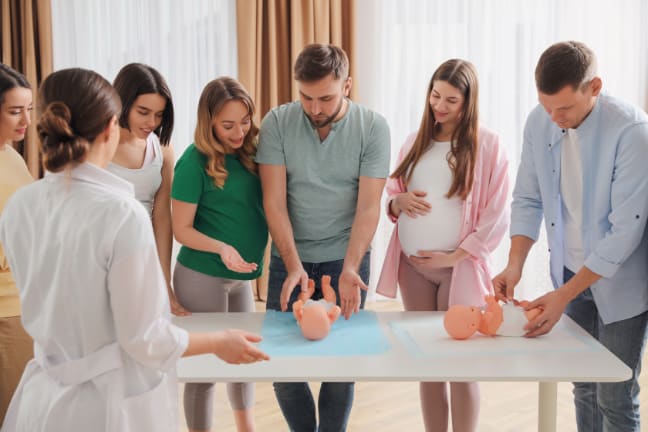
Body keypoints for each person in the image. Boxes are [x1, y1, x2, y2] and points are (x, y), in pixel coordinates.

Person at [0, 68, 269, 432]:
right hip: (108, 404)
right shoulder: (121, 213)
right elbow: (145, 339)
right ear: (111, 127)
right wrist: (218, 341)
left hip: (41, 400)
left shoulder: (22, 206)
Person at [493, 41, 648, 432]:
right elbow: (528, 198)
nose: (555, 117)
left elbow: (624, 231)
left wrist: (564, 295)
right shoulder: (540, 121)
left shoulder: (633, 132)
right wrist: (515, 264)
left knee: (615, 393)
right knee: (582, 384)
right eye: (547, 107)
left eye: (564, 108)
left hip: (623, 283)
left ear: (594, 87)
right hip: (569, 269)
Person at [256, 43, 391, 432]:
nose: (314, 108)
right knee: (283, 366)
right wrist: (293, 264)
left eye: (326, 98)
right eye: (306, 97)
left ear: (347, 86)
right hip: (289, 258)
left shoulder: (372, 127)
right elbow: (274, 202)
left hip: (346, 258)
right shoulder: (277, 123)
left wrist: (350, 268)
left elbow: (368, 207)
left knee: (341, 364)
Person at [376, 59, 510, 432]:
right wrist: (395, 204)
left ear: (468, 102)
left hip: (459, 269)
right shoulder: (415, 141)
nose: (440, 105)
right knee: (428, 364)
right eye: (435, 95)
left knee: (461, 365)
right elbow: (392, 193)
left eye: (451, 100)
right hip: (412, 267)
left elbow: (497, 212)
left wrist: (455, 255)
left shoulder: (488, 145)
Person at [171, 77, 268, 432]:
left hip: (241, 276)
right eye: (228, 125)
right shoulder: (193, 162)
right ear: (209, 121)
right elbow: (182, 229)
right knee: (204, 371)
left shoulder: (254, 153)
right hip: (201, 275)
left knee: (246, 358)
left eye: (245, 121)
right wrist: (221, 247)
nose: (239, 131)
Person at [107, 63, 189, 316]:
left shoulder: (162, 151)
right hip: (101, 258)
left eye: (159, 114)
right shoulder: (95, 144)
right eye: (143, 112)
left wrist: (164, 282)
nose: (152, 122)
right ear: (122, 102)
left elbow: (162, 217)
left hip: (141, 257)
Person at [0, 63, 34, 425]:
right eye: (14, 111)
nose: (25, 120)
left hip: (24, 301)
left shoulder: (11, 155)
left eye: (29, 109)